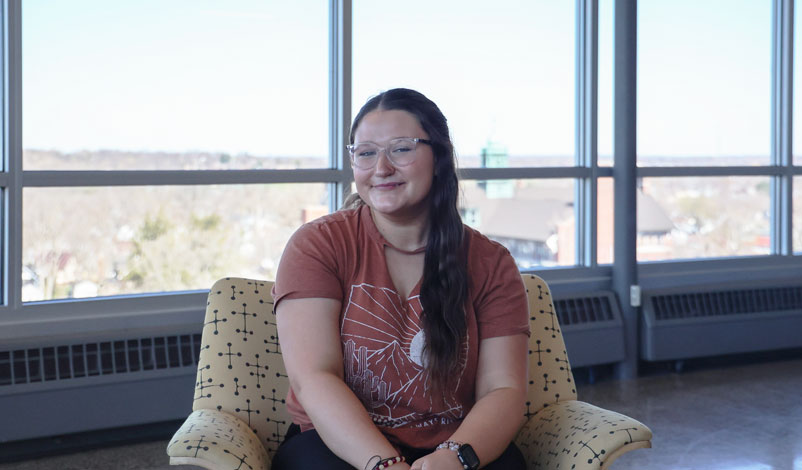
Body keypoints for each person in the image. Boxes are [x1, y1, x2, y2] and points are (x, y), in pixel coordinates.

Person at [271, 88, 529, 470]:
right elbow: (315, 377)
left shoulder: (490, 263)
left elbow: (502, 389)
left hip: (455, 445)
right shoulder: (318, 245)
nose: (381, 167)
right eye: (366, 152)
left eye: (402, 149)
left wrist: (454, 458)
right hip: (338, 446)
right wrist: (383, 464)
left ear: (439, 158)